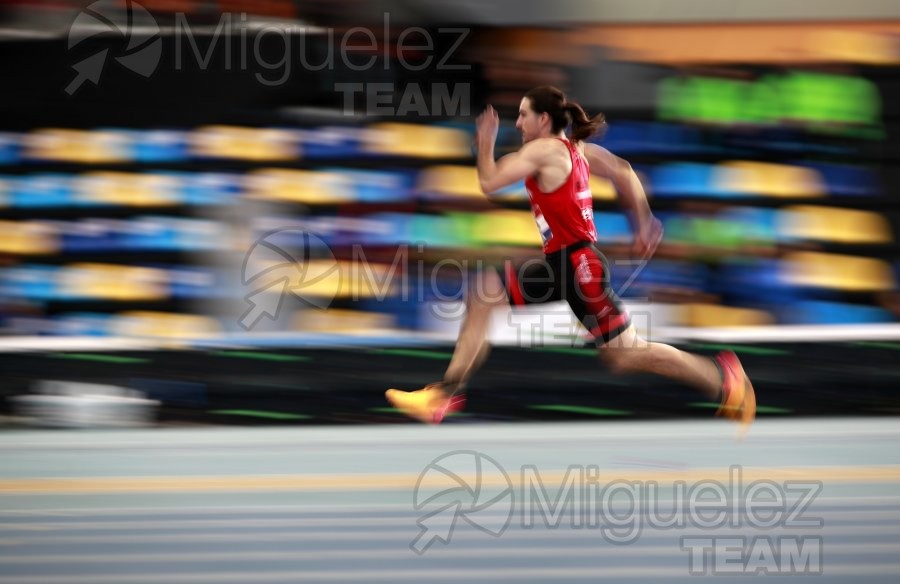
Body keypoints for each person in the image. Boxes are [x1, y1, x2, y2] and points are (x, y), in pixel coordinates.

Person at [386, 86, 755, 432]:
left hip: (578, 267)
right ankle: (443, 394)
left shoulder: (543, 150)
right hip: (561, 263)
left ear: (543, 120)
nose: (517, 123)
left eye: (523, 115)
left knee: (625, 355)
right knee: (484, 294)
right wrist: (643, 220)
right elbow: (625, 171)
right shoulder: (578, 150)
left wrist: (484, 146)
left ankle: (724, 380)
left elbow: (489, 182)